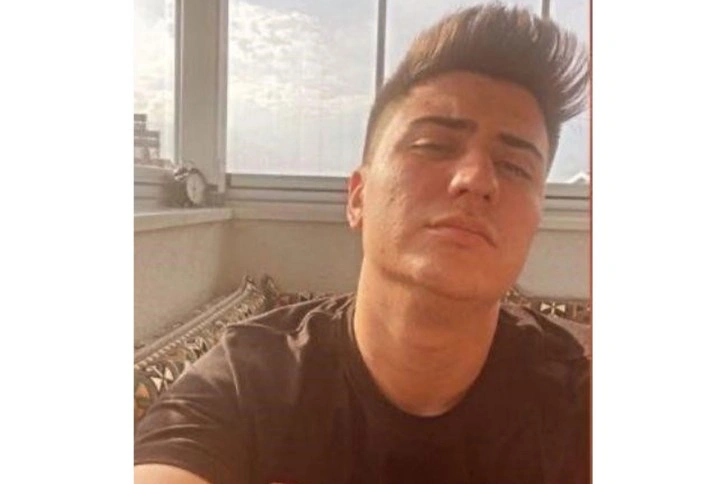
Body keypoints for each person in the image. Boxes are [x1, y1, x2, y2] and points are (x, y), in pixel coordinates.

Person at [135, 3, 591, 483]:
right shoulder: (248, 382)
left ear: (536, 219)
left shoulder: (583, 394)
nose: (476, 179)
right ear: (358, 198)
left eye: (516, 167)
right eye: (434, 145)